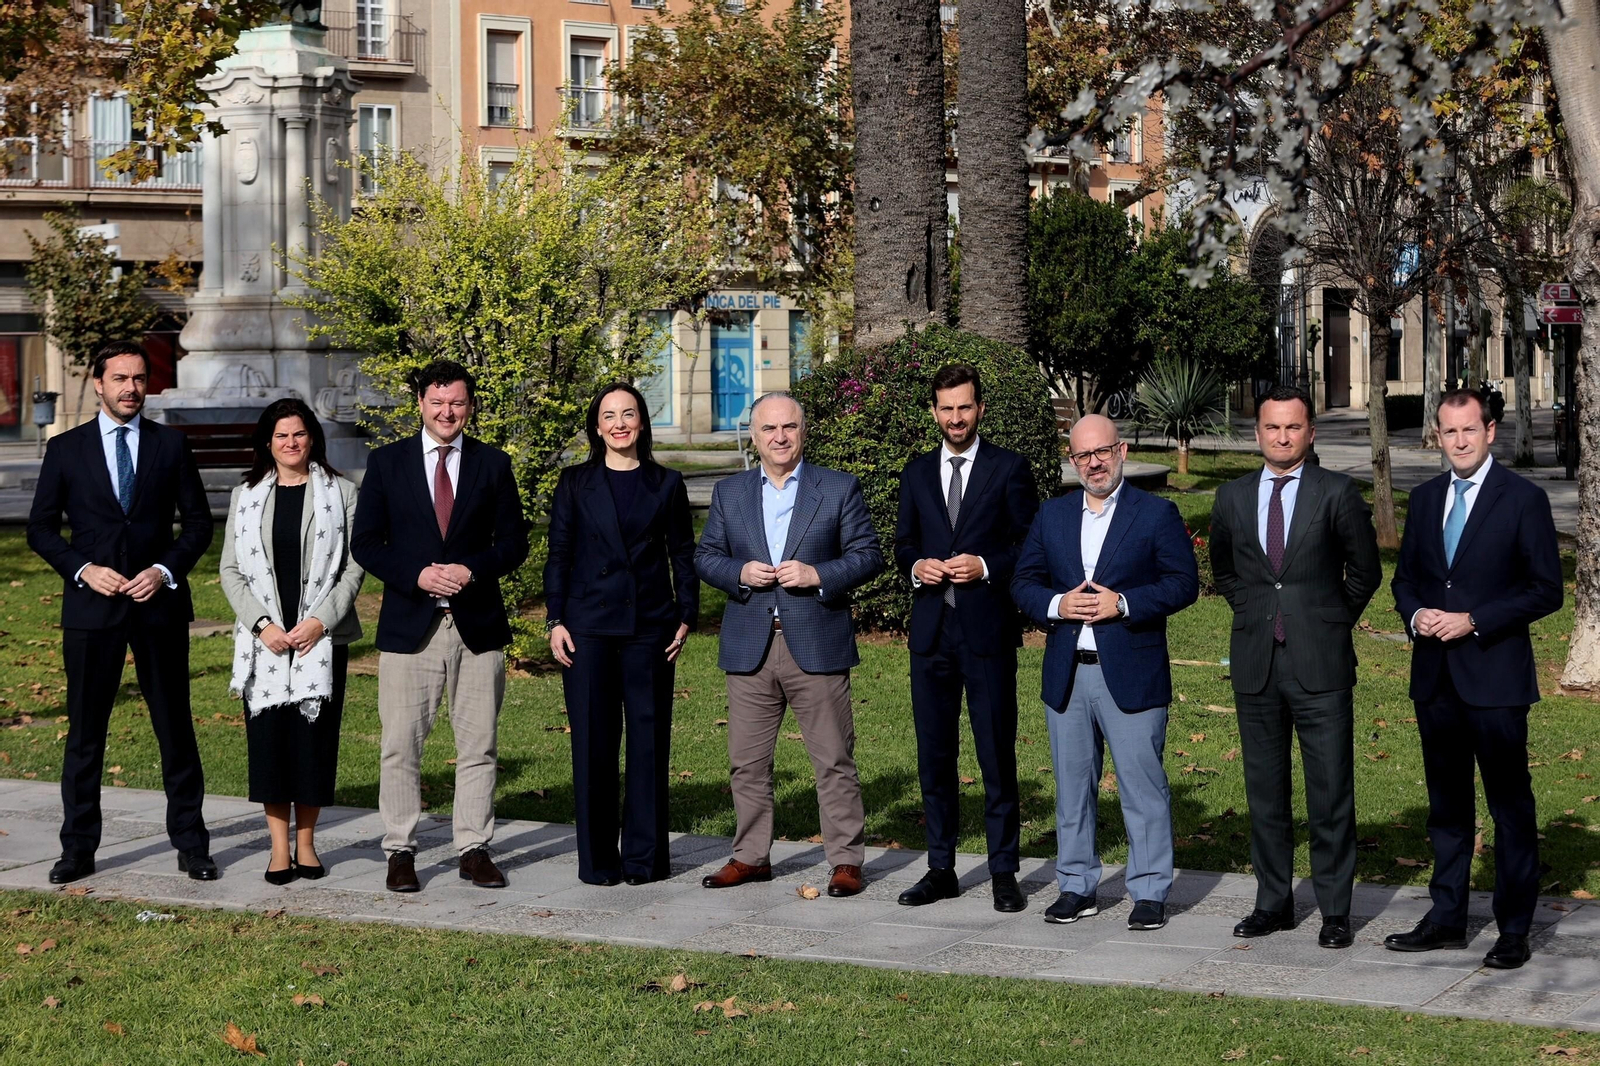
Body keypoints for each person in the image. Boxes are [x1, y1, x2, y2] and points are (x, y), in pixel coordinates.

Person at [26, 340, 217, 884]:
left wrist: (163, 571)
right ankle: (78, 849)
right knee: (86, 735)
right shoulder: (66, 450)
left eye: (139, 378)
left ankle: (192, 843)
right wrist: (83, 569)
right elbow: (41, 529)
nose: (132, 388)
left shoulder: (171, 445)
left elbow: (199, 525)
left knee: (175, 728)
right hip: (91, 610)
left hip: (158, 608)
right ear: (98, 383)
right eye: (121, 379)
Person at [1386, 388, 1562, 970]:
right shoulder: (1427, 496)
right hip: (1435, 678)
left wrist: (1475, 621)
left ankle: (1514, 929)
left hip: (1496, 680)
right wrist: (1416, 616)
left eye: (1468, 430)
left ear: (1489, 431)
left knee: (1510, 808)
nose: (1458, 441)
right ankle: (1446, 918)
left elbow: (1546, 590)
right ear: (1437, 435)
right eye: (1448, 432)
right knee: (1447, 807)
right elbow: (1405, 579)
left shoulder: (1524, 499)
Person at [1208, 385, 1382, 949]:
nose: (1282, 437)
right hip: (1257, 663)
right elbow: (1226, 573)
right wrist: (1258, 613)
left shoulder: (1336, 493)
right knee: (1265, 791)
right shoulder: (1232, 497)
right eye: (1272, 427)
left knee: (1330, 792)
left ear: (1310, 433)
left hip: (1320, 663)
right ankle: (1273, 902)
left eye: (1293, 427)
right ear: (1256, 433)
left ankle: (1335, 909)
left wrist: (1329, 620)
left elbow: (1365, 571)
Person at [1011, 414, 1198, 931]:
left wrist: (1126, 603)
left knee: (1143, 788)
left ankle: (1149, 890)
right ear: (1072, 461)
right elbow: (1022, 582)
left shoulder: (1155, 513)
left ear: (1122, 450)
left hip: (1131, 673)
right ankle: (1076, 886)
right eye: (1082, 455)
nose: (1093, 462)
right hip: (1068, 674)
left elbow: (1184, 583)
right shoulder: (1052, 516)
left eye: (1102, 451)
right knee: (1072, 789)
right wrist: (1056, 604)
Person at [694, 392, 885, 897]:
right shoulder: (730, 492)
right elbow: (706, 555)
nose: (780, 437)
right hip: (750, 645)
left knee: (833, 759)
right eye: (769, 429)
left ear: (804, 431)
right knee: (747, 762)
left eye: (789, 427)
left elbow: (868, 554)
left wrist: (817, 573)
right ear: (753, 437)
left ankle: (845, 860)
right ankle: (751, 856)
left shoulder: (838, 488)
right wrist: (739, 572)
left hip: (816, 641)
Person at [352, 359, 530, 893]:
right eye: (437, 402)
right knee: (401, 743)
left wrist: (472, 569)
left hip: (477, 627)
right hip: (411, 627)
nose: (447, 411)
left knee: (479, 744)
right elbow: (366, 543)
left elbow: (514, 543)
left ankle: (474, 847)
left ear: (469, 406)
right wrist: (419, 574)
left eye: (457, 402)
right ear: (421, 405)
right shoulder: (386, 464)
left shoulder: (493, 465)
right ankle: (400, 850)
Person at [893, 364, 1039, 912]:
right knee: (934, 756)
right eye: (946, 408)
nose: (956, 418)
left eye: (965, 407)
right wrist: (916, 567)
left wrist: (983, 564)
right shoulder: (915, 472)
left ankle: (1004, 870)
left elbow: (1029, 544)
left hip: (986, 632)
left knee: (996, 753)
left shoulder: (1008, 469)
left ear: (980, 409)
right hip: (931, 632)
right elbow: (903, 542)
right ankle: (940, 868)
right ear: (934, 411)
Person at [544, 383, 698, 886]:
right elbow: (559, 555)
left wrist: (687, 615)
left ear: (642, 422)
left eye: (628, 414)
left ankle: (645, 859)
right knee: (592, 744)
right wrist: (555, 620)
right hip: (587, 629)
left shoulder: (667, 483)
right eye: (608, 415)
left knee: (649, 745)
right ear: (596, 426)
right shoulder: (573, 483)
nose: (619, 424)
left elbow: (682, 554)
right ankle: (598, 861)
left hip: (650, 628)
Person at [219, 399, 365, 885]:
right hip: (265, 642)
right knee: (269, 748)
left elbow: (353, 566)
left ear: (312, 439)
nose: (291, 443)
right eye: (281, 435)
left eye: (299, 434)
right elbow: (230, 570)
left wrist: (321, 621)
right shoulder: (246, 495)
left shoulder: (343, 493)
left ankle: (307, 845)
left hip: (318, 641)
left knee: (313, 746)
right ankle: (278, 849)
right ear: (268, 442)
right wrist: (262, 625)